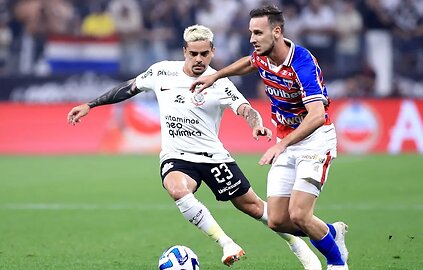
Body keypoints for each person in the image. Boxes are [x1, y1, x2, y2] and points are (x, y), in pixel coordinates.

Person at [67, 24, 322, 269]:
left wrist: (255, 124)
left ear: (212, 51)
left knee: (253, 206)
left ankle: (297, 244)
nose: (199, 59)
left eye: (204, 53)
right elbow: (129, 88)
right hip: (177, 156)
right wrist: (90, 104)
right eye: (193, 53)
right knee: (177, 189)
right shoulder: (162, 72)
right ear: (184, 52)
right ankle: (227, 244)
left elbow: (245, 108)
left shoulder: (219, 82)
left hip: (214, 157)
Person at [191, 6, 349, 270]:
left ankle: (337, 263)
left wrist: (282, 144)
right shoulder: (264, 56)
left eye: (257, 33)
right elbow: (249, 62)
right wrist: (216, 75)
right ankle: (330, 232)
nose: (252, 38)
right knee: (277, 220)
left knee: (299, 214)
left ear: (276, 32)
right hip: (286, 141)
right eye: (251, 32)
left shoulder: (302, 64)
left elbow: (317, 116)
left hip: (314, 141)